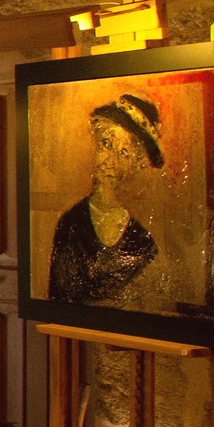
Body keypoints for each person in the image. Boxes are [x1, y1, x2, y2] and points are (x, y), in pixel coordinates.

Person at [46, 93, 165, 308]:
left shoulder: (142, 242)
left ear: (135, 163)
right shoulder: (71, 224)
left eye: (124, 152)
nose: (110, 161)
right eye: (106, 144)